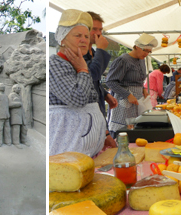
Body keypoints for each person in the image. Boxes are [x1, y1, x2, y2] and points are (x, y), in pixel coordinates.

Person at [49, 9, 114, 157]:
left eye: (86, 36)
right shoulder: (54, 63)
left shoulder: (79, 61)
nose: (84, 40)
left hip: (86, 149)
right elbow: (77, 98)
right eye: (78, 35)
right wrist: (83, 70)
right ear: (62, 39)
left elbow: (92, 101)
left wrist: (104, 134)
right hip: (69, 150)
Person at [106, 33, 157, 136]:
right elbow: (110, 81)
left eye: (149, 51)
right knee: (124, 130)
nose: (147, 53)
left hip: (138, 99)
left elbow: (138, 80)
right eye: (145, 50)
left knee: (136, 127)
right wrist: (127, 95)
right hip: (124, 100)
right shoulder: (123, 60)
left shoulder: (142, 60)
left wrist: (142, 89)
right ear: (137, 47)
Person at [84, 11, 118, 118]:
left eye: (100, 30)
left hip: (98, 110)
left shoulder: (93, 53)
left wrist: (104, 94)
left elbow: (95, 82)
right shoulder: (78, 54)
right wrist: (100, 49)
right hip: (86, 113)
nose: (98, 33)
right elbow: (92, 75)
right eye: (94, 29)